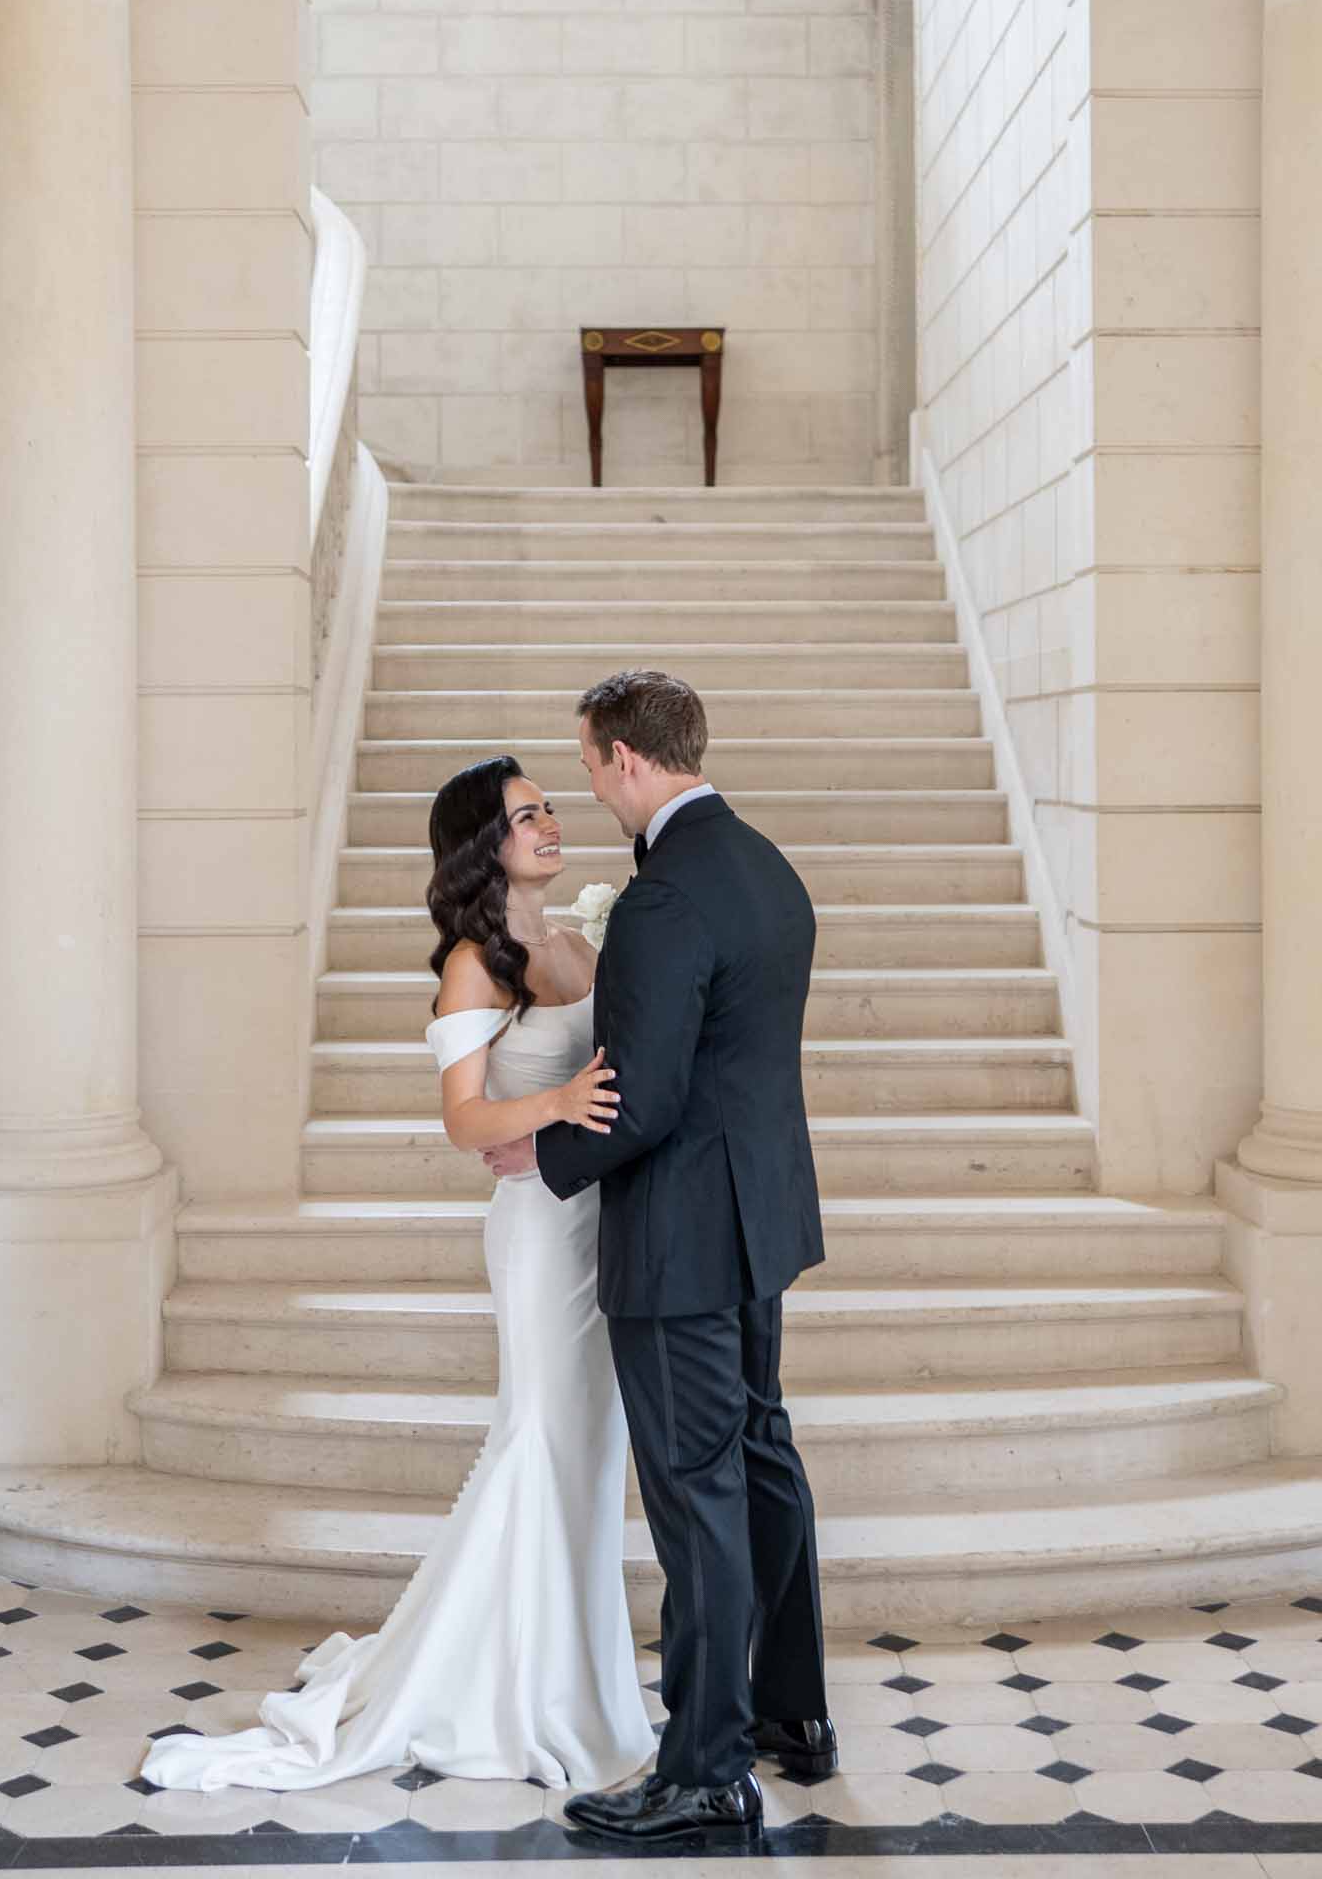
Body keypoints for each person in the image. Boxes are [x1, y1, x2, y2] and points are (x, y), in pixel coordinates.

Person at [141, 755, 656, 1796]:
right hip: (538, 1231)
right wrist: (554, 1109)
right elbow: (464, 1117)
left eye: (551, 805)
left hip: (605, 1220)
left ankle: (574, 1676)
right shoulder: (477, 960)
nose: (552, 822)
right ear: (485, 844)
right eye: (526, 815)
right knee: (538, 1438)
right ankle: (510, 1690)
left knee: (591, 1454)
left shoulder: (577, 940)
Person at [483, 671, 835, 1845]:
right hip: (761, 1218)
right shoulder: (767, 866)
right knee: (761, 1455)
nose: (587, 782)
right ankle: (795, 1717)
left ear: (631, 758)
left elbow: (645, 1097)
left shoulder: (665, 897)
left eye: (588, 761)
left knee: (699, 1493)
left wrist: (545, 1151)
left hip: (683, 1235)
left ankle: (703, 1765)